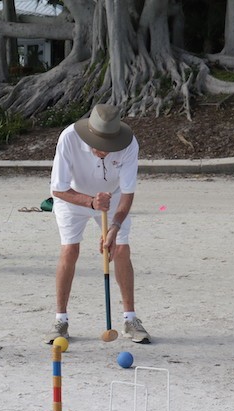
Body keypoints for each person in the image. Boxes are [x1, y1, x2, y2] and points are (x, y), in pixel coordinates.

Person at [44, 104, 151, 345]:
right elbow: (58, 189)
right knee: (70, 250)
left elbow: (127, 194)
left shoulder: (129, 144)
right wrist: (91, 202)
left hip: (112, 198)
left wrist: (114, 227)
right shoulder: (69, 138)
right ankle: (60, 321)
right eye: (99, 145)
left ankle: (130, 319)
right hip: (72, 197)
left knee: (121, 249)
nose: (103, 151)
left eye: (108, 146)